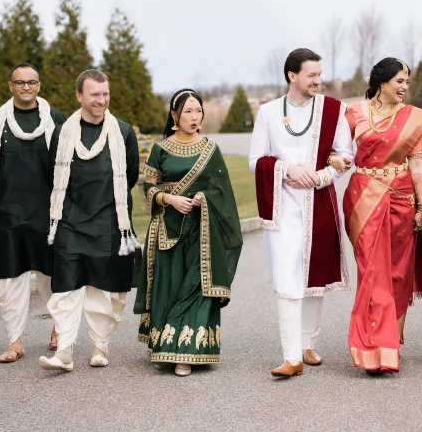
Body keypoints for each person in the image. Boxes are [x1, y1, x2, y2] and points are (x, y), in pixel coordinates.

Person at [248, 48, 354, 378]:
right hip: (281, 206)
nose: (318, 81)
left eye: (319, 75)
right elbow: (256, 160)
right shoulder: (267, 112)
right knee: (287, 276)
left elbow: (346, 154)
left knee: (314, 274)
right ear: (292, 76)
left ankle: (308, 342)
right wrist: (287, 168)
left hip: (318, 203)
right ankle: (291, 356)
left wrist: (322, 176)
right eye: (311, 75)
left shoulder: (333, 110)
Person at [135, 89, 243, 376]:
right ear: (174, 116)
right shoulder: (160, 149)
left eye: (198, 111)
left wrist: (201, 200)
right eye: (188, 112)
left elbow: (222, 193)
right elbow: (147, 186)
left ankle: (188, 353)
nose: (195, 117)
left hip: (202, 233)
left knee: (194, 288)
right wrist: (169, 199)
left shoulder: (210, 148)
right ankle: (164, 346)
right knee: (169, 287)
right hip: (167, 231)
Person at [38, 69, 140, 372]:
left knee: (104, 291)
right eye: (94, 94)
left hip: (110, 220)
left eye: (105, 93)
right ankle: (65, 352)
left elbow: (130, 175)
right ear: (79, 96)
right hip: (69, 221)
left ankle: (99, 345)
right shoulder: (63, 132)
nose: (101, 100)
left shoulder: (123, 132)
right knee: (66, 288)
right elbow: (53, 175)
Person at [344, 57, 422, 374]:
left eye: (407, 82)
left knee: (398, 271)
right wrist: (333, 158)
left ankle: (389, 341)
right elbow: (338, 149)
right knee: (372, 270)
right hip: (363, 198)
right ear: (382, 82)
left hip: (402, 199)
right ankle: (371, 343)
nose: (405, 88)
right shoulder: (355, 112)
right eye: (400, 81)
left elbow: (416, 163)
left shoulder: (412, 118)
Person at [0, 63, 66, 363]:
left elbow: (66, 163)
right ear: (11, 86)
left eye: (32, 82)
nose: (26, 87)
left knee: (51, 278)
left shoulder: (55, 119)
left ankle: (59, 329)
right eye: (20, 83)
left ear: (39, 85)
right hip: (7, 215)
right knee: (9, 282)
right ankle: (15, 342)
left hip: (47, 214)